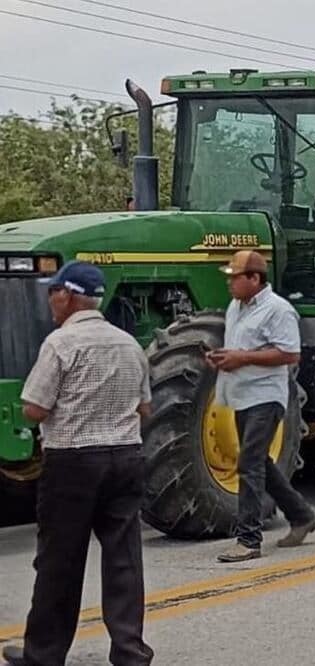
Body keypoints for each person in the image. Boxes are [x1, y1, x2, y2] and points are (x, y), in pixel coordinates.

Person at [3, 261, 154, 666]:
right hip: (125, 457)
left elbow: (34, 407)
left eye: (53, 292)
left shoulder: (60, 344)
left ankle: (44, 654)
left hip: (72, 462)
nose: (50, 300)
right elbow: (145, 407)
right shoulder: (128, 344)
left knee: (60, 561)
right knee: (123, 558)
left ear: (67, 295)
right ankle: (129, 652)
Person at [210, 250, 315, 563]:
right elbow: (241, 348)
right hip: (240, 394)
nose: (230, 283)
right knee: (259, 462)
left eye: (235, 277)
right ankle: (302, 515)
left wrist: (241, 359)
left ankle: (248, 540)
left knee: (249, 463)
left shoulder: (278, 310)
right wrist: (222, 357)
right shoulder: (235, 307)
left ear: (255, 279)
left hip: (266, 396)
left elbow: (290, 354)